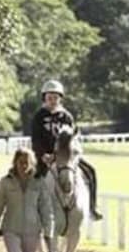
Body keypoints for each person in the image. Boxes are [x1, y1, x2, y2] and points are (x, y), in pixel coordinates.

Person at [28, 79, 102, 220]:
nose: (52, 101)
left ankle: (92, 208)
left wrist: (74, 153)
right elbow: (36, 139)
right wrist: (43, 155)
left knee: (90, 171)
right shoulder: (39, 116)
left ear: (60, 98)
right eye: (49, 97)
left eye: (55, 97)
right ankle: (31, 211)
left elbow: (74, 136)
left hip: (66, 157)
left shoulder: (67, 116)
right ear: (44, 98)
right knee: (32, 178)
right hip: (45, 157)